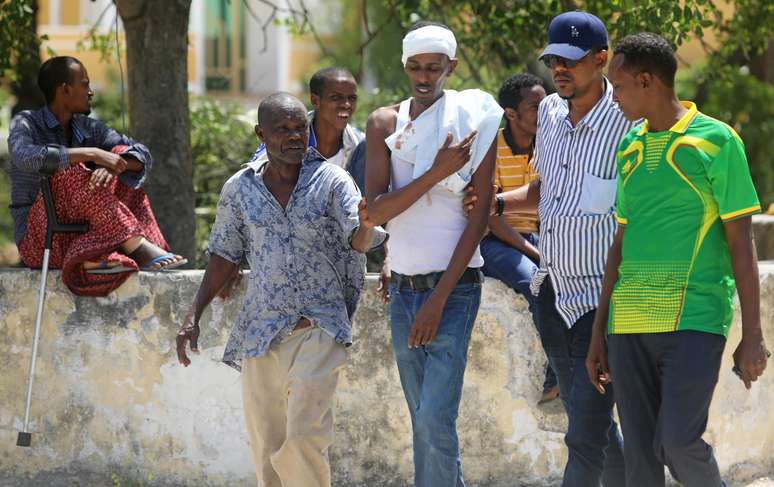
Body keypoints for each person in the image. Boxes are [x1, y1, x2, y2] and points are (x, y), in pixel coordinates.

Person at [587, 32, 770, 487]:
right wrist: (599, 331)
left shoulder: (716, 141)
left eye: (619, 85)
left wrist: (753, 335)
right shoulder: (629, 144)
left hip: (694, 316)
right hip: (629, 323)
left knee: (677, 443)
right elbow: (620, 243)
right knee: (641, 464)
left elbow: (741, 244)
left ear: (647, 81)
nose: (614, 97)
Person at [175, 92, 384, 487]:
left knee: (305, 437)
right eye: (282, 129)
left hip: (318, 327)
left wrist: (368, 225)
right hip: (261, 333)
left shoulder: (333, 180)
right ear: (261, 133)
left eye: (299, 128)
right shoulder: (240, 189)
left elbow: (357, 238)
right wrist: (193, 314)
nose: (293, 136)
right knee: (266, 449)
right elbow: (224, 253)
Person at [466, 11, 630, 486]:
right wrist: (496, 200)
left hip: (602, 301)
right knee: (590, 424)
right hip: (550, 293)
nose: (560, 68)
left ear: (602, 59)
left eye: (572, 60)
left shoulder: (626, 121)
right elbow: (545, 188)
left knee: (582, 435)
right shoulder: (552, 115)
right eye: (555, 59)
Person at [365, 21, 499, 487]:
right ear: (405, 66)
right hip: (402, 290)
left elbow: (479, 217)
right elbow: (376, 211)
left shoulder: (475, 122)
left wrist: (439, 299)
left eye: (435, 68)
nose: (425, 77)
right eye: (416, 67)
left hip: (455, 290)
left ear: (451, 67)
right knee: (422, 418)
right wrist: (438, 171)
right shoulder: (385, 123)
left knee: (433, 420)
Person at [7, 56, 185, 296]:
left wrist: (113, 165)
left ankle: (106, 254)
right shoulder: (26, 122)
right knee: (69, 170)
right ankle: (136, 246)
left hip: (83, 240)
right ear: (65, 90)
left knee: (122, 161)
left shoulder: (89, 127)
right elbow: (24, 156)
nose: (91, 92)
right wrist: (94, 154)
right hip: (40, 240)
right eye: (85, 84)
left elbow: (141, 154)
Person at [484, 72, 560, 405]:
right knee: (537, 283)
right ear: (511, 114)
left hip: (542, 236)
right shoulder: (490, 148)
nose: (544, 112)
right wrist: (535, 252)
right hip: (496, 241)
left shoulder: (552, 144)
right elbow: (489, 215)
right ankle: (557, 372)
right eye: (535, 106)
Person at [250, 66, 367, 192]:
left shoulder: (361, 144)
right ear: (315, 100)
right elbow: (254, 179)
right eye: (336, 97)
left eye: (352, 98)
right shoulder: (287, 136)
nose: (346, 105)